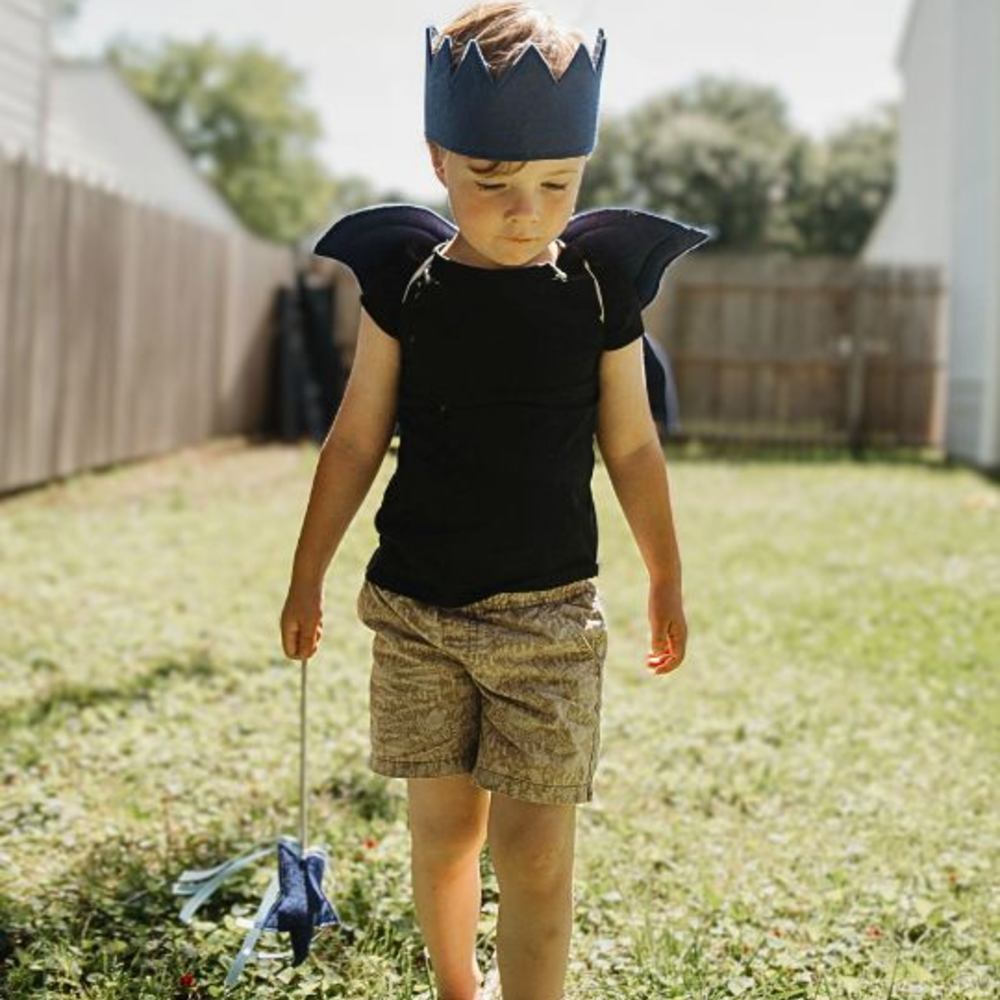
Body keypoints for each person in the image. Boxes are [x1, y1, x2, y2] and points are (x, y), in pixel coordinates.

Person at [280, 3, 711, 998]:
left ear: (585, 173)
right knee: (443, 840)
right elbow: (353, 439)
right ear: (439, 157)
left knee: (534, 853)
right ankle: (455, 985)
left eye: (556, 183)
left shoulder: (599, 291)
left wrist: (666, 577)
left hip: (548, 621)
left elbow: (634, 446)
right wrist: (307, 573)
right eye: (493, 183)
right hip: (417, 614)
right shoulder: (407, 285)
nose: (527, 210)